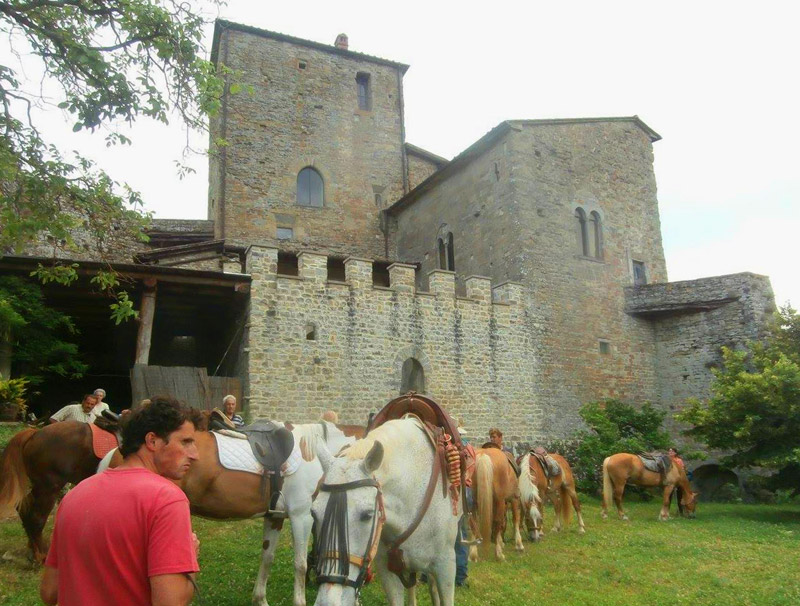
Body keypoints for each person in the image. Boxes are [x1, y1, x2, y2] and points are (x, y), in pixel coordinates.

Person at [40, 397, 201, 606]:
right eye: (186, 442)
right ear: (152, 441)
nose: (195, 454)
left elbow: (49, 592)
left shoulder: (75, 495)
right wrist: (190, 558)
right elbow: (169, 602)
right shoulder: (167, 500)